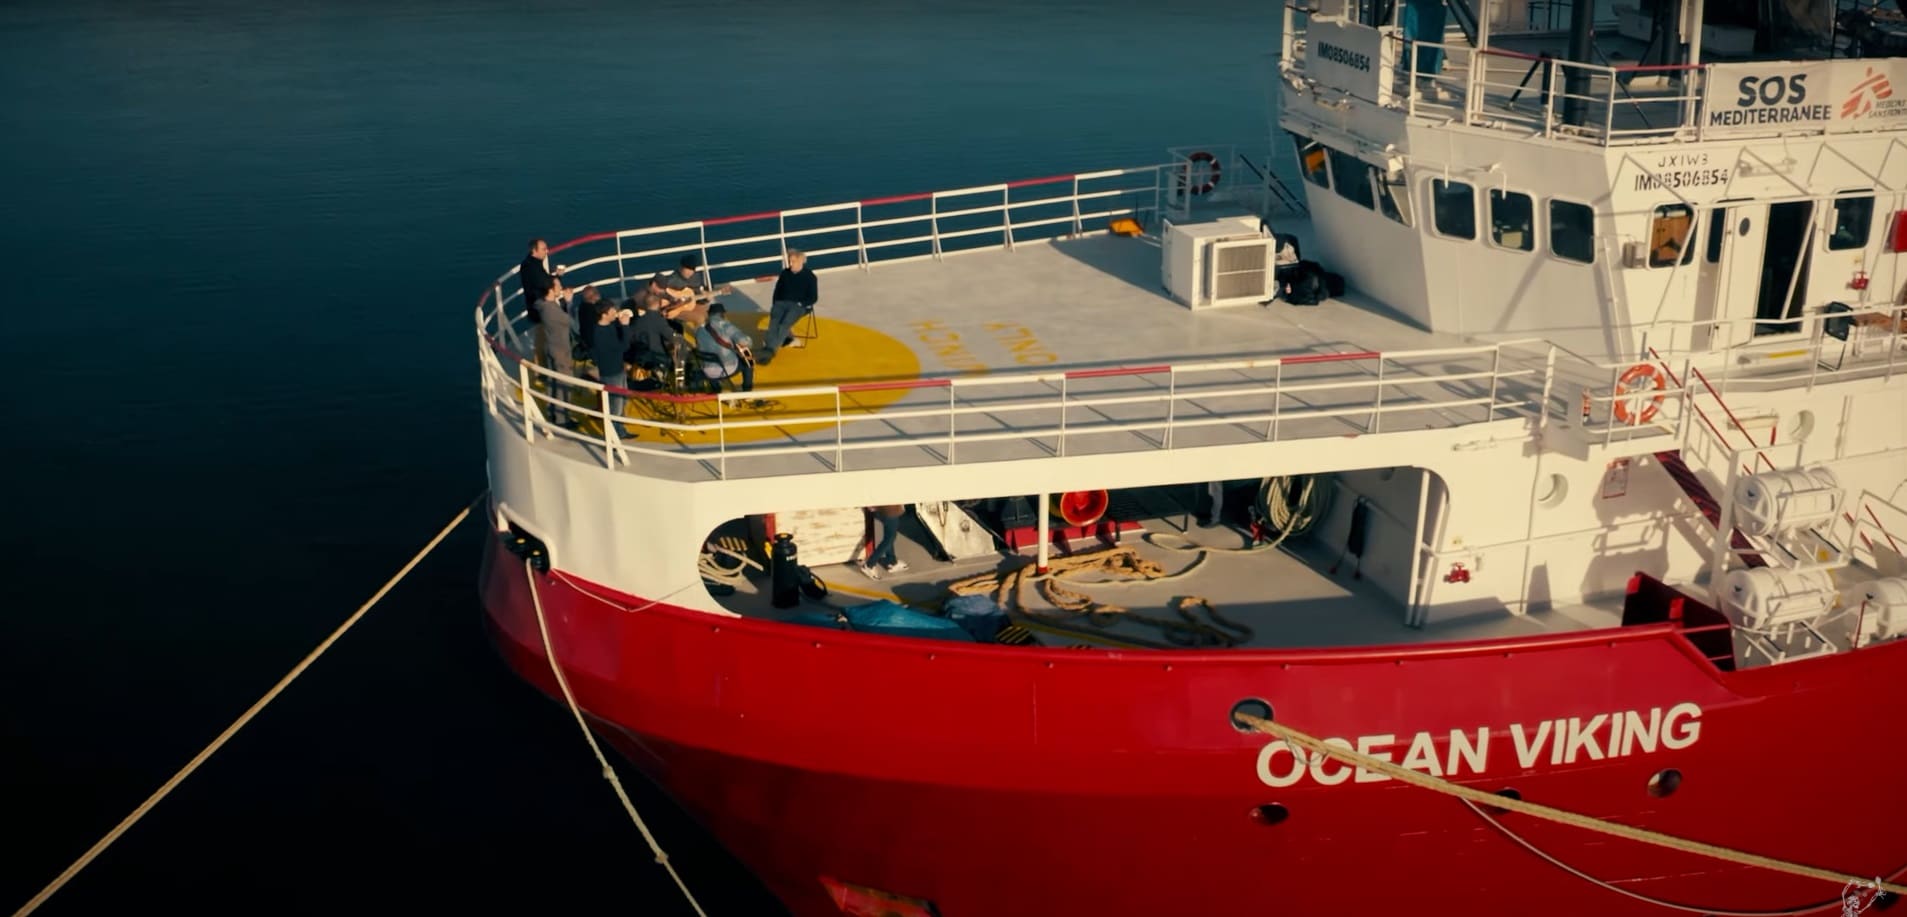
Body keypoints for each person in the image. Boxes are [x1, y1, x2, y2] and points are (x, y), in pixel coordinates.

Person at [759, 249, 818, 365]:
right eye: (790, 261)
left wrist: (801, 304)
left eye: (793, 261)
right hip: (781, 303)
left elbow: (813, 297)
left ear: (801, 261)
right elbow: (777, 290)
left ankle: (770, 350)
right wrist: (775, 303)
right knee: (774, 322)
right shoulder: (785, 273)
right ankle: (774, 345)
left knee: (784, 324)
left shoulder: (810, 277)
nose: (790, 264)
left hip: (798, 305)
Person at [532, 282, 575, 424]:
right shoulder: (552, 310)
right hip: (561, 352)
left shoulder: (543, 305)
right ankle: (562, 419)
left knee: (553, 382)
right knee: (564, 384)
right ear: (550, 290)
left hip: (551, 347)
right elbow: (571, 322)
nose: (561, 288)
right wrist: (569, 303)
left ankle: (552, 412)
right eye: (558, 286)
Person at [589, 299, 634, 422]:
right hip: (611, 373)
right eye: (612, 310)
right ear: (604, 315)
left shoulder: (609, 326)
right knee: (616, 406)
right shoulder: (600, 333)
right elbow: (623, 346)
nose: (615, 312)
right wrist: (625, 326)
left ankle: (620, 427)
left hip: (618, 369)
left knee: (623, 400)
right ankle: (616, 429)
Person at [695, 303, 756, 393]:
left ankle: (716, 388)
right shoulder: (725, 326)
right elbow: (745, 342)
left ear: (709, 314)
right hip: (727, 369)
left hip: (708, 371)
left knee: (711, 356)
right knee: (749, 360)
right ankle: (747, 390)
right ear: (722, 314)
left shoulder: (699, 330)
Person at [860, 505, 909, 580]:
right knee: (889, 538)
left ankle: (891, 561)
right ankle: (869, 565)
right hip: (889, 509)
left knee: (889, 536)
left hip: (882, 509)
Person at [519, 238, 564, 315]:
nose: (547, 251)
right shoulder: (532, 267)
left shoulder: (532, 263)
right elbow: (544, 282)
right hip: (540, 308)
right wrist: (557, 278)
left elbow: (543, 279)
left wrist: (556, 277)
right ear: (534, 251)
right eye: (543, 249)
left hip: (537, 305)